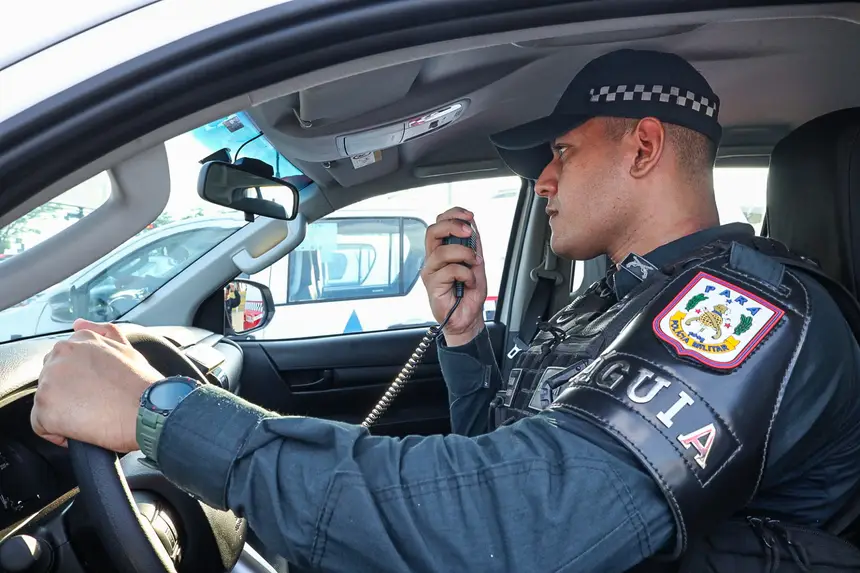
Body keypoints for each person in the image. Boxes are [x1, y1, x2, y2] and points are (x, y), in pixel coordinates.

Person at [30, 49, 860, 572]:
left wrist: (162, 414)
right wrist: (465, 340)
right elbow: (503, 456)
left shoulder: (745, 313)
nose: (544, 180)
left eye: (562, 152)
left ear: (642, 147)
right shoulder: (616, 303)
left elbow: (521, 528)